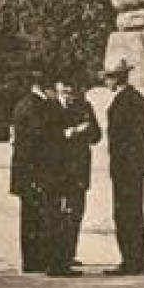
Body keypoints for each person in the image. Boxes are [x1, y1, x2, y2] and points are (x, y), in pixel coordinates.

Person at [103, 61, 144, 276]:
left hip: (127, 168)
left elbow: (132, 139)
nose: (105, 82)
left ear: (116, 78)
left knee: (127, 214)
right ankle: (133, 260)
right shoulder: (133, 99)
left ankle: (131, 262)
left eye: (108, 77)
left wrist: (125, 164)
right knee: (130, 212)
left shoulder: (129, 101)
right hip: (130, 167)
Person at [46, 75, 101, 277]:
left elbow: (97, 136)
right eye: (64, 92)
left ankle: (68, 255)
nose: (68, 96)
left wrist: (86, 130)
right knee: (56, 215)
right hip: (57, 172)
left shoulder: (84, 107)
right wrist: (70, 132)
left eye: (70, 92)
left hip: (78, 170)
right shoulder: (49, 109)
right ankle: (55, 260)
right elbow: (45, 136)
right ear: (56, 90)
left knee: (75, 213)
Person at [9, 70, 56, 274]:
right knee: (35, 217)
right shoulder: (36, 107)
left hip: (25, 171)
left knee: (30, 217)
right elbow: (39, 141)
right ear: (45, 88)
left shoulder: (24, 103)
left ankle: (32, 260)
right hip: (34, 171)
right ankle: (35, 260)